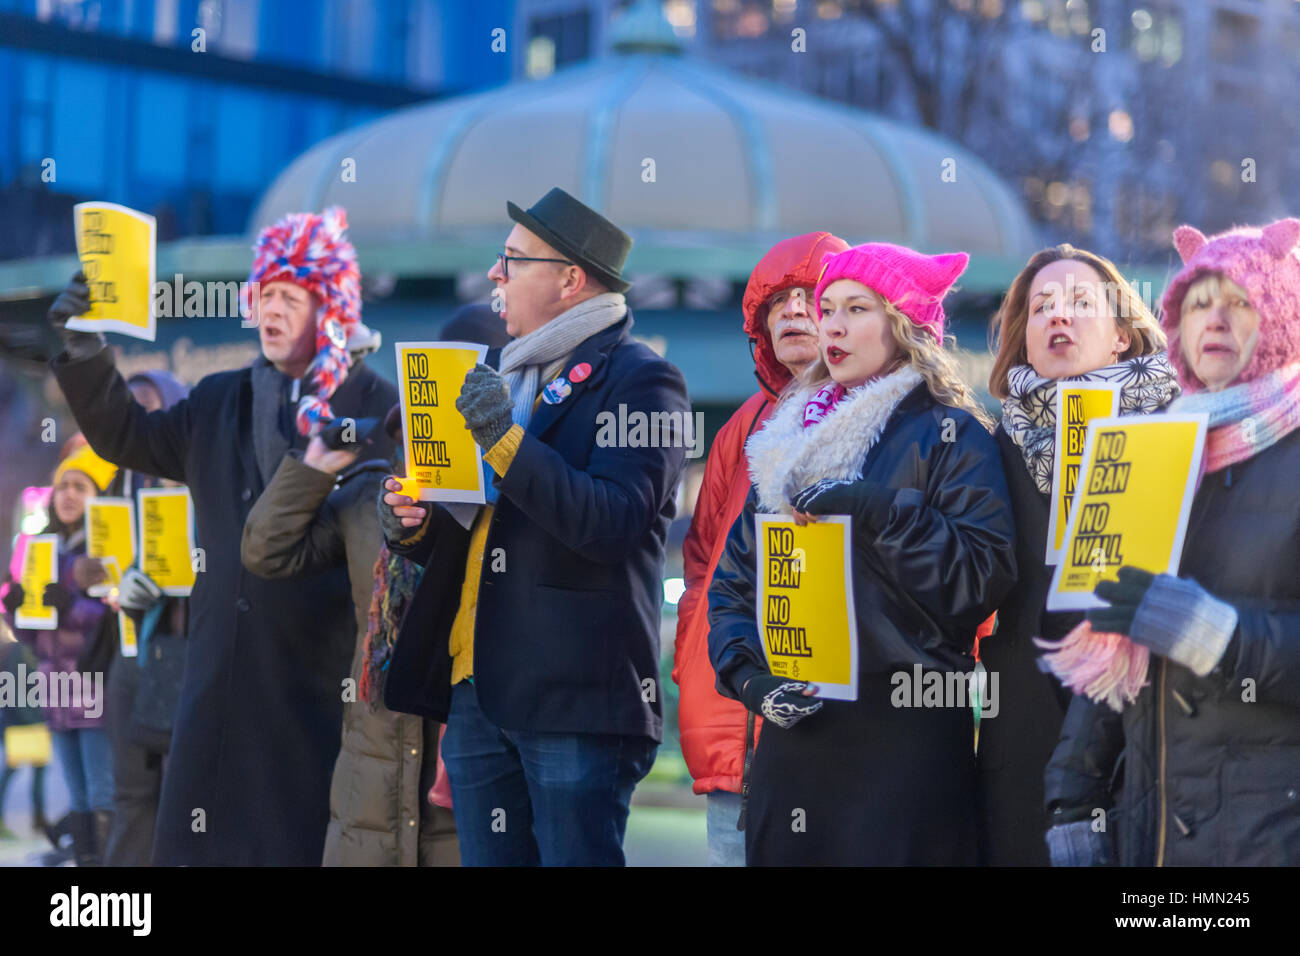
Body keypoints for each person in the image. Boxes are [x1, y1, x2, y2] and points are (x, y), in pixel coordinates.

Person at [43, 207, 397, 865]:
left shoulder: (376, 407)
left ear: (332, 310)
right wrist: (84, 349)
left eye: (291, 296)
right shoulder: (217, 399)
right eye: (264, 294)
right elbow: (128, 436)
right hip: (214, 694)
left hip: (314, 699)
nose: (270, 309)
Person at [378, 186, 690, 866]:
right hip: (477, 689)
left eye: (512, 260)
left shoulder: (644, 380)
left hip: (574, 700)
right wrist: (411, 524)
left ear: (570, 280)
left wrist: (501, 439)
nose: (495, 274)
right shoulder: (499, 373)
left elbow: (612, 523)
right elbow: (478, 531)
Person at [708, 242, 1017, 866]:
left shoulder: (954, 431)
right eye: (828, 309)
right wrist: (747, 676)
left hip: (903, 731)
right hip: (796, 729)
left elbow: (980, 580)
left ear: (905, 326)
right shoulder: (786, 438)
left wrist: (877, 509)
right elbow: (734, 583)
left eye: (858, 308)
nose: (834, 325)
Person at [1044, 219, 1300, 866]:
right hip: (1152, 836)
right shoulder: (1153, 446)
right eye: (1196, 303)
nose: (1215, 319)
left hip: (1267, 836)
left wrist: (1216, 635)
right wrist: (1073, 802)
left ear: (1281, 315)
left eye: (1239, 300)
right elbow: (1110, 630)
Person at [982, 246, 1179, 865]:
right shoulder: (989, 444)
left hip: (1142, 729)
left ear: (1122, 335)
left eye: (1079, 303)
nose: (1057, 316)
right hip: (1023, 732)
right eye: (1041, 307)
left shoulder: (1180, 428)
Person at [672, 232, 847, 867]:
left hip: (845, 731)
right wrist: (701, 654)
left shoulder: (894, 416)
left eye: (814, 298)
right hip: (732, 726)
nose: (796, 312)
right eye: (780, 302)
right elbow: (703, 566)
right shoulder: (738, 429)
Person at [242, 406, 460, 867]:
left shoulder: (489, 502)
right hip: (372, 753)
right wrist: (313, 467)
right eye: (409, 429)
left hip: (458, 754)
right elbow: (266, 550)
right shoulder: (365, 497)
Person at [1, 438, 117, 865]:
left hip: (96, 689)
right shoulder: (41, 550)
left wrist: (75, 605)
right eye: (62, 486)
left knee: (103, 791)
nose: (67, 494)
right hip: (57, 690)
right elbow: (33, 638)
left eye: (79, 487)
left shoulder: (106, 547)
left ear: (97, 498)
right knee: (80, 795)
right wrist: (17, 612)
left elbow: (113, 615)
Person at [101, 369, 192, 867]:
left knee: (186, 794)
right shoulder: (117, 485)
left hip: (190, 651)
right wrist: (109, 582)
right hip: (133, 654)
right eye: (129, 407)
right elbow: (85, 559)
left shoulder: (202, 476)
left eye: (147, 406)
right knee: (131, 795)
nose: (137, 418)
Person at [0, 618, 49, 842]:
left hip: (31, 721)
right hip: (21, 723)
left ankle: (39, 819)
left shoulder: (33, 648)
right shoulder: (21, 650)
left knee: (38, 772)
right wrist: (36, 719)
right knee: (11, 771)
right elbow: (14, 689)